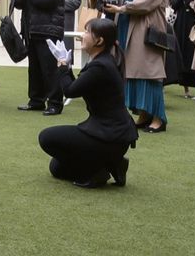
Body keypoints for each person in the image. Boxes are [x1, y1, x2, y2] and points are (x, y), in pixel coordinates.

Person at [37, 17, 138, 188]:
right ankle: (113, 163)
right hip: (113, 135)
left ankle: (98, 170)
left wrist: (62, 65)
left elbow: (69, 91)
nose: (82, 35)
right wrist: (67, 67)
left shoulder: (100, 66)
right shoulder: (104, 61)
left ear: (99, 41)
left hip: (109, 135)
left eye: (87, 32)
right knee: (57, 168)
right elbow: (76, 86)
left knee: (46, 137)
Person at [104, 0, 169, 133]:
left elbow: (144, 3)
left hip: (145, 32)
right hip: (126, 29)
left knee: (149, 74)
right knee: (132, 74)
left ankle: (158, 118)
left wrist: (121, 8)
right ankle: (143, 114)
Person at [13, 0, 66, 115]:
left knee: (50, 67)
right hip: (30, 28)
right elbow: (19, 4)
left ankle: (55, 103)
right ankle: (36, 100)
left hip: (49, 27)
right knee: (34, 67)